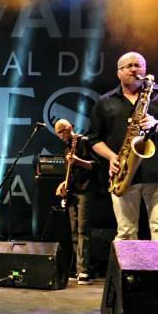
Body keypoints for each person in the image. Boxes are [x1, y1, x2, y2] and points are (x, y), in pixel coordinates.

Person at [89, 51, 158, 241]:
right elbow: (94, 138)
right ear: (119, 72)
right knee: (126, 232)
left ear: (145, 70)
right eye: (129, 66)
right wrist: (112, 157)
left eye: (138, 65)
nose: (134, 69)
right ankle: (127, 263)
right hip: (123, 173)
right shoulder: (104, 101)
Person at [53, 119, 97, 284]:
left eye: (63, 131)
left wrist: (77, 160)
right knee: (73, 230)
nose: (60, 135)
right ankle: (79, 268)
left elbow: (95, 165)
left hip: (85, 190)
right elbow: (71, 173)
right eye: (58, 133)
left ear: (70, 128)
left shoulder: (83, 142)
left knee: (83, 230)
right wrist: (63, 184)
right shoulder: (67, 147)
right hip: (73, 191)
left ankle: (84, 270)